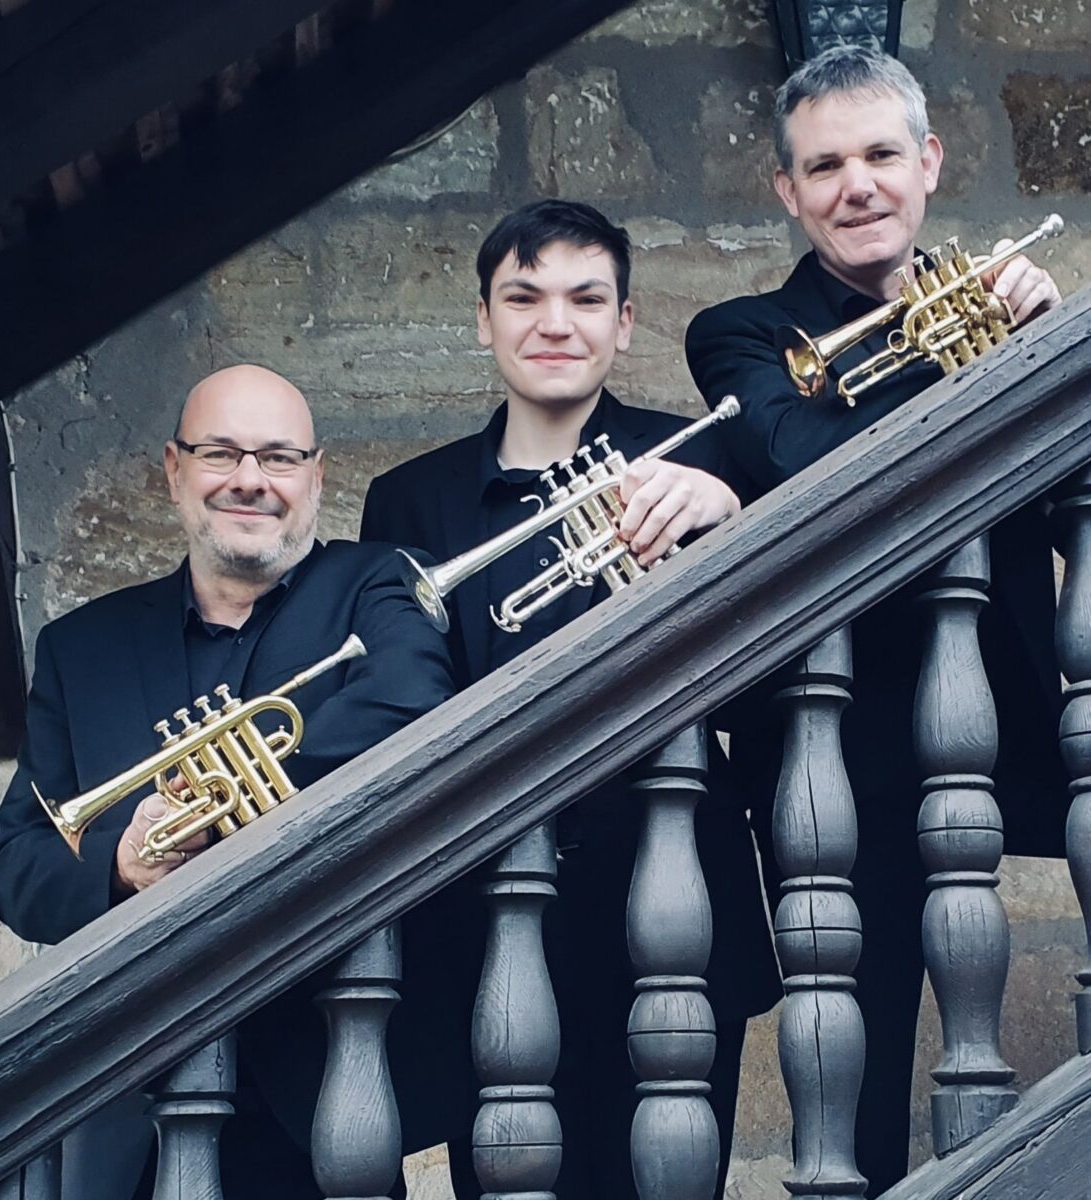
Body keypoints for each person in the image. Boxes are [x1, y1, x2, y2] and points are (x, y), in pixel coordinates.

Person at [685, 46, 1066, 1197]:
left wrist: (1052, 362)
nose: (858, 186)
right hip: (841, 752)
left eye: (881, 155)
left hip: (1011, 710)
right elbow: (810, 464)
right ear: (787, 190)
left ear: (930, 163)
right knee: (858, 1077)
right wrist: (967, 361)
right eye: (825, 166)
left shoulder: (1014, 317)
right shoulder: (739, 333)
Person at [362, 199, 782, 1199]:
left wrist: (735, 514)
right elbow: (401, 703)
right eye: (524, 298)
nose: (556, 323)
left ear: (624, 323)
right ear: (483, 320)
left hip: (675, 884)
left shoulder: (703, 457)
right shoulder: (408, 501)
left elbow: (771, 675)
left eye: (586, 299)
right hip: (490, 906)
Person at [0, 364, 456, 1200]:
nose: (249, 479)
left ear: (315, 476)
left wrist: (219, 803)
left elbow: (409, 704)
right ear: (175, 470)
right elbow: (18, 867)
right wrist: (122, 865)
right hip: (132, 1086)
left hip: (326, 1077)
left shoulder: (378, 583)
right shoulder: (81, 648)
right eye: (221, 453)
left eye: (278, 457)